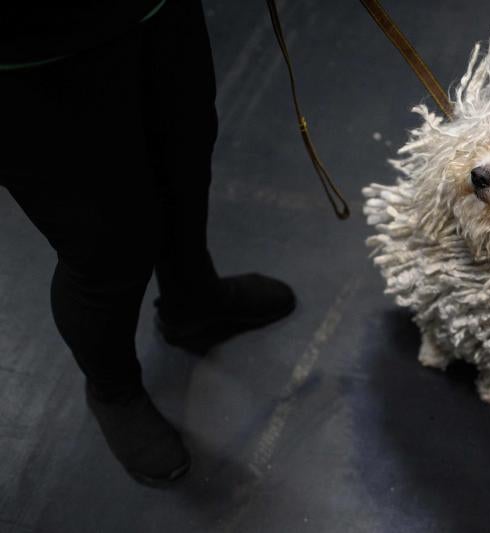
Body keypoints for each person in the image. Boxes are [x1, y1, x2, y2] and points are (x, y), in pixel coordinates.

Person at [0, 0, 295, 486]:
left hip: (156, 11)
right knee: (104, 243)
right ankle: (113, 388)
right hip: (31, 57)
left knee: (185, 163)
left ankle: (193, 303)